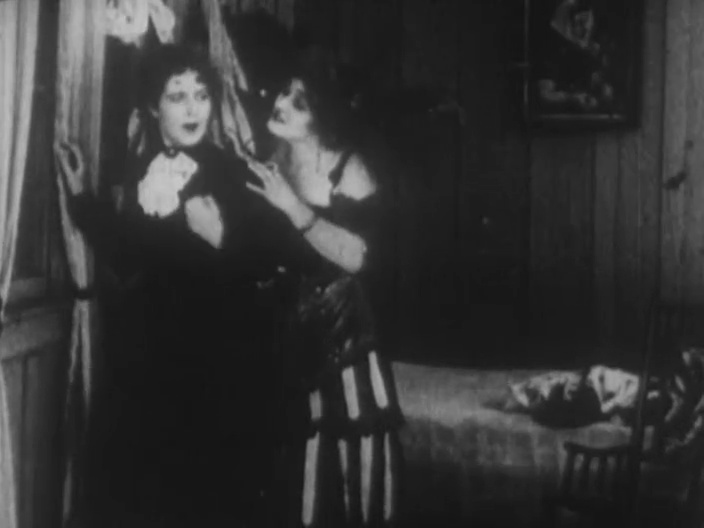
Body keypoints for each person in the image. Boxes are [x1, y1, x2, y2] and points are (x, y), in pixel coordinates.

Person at [55, 44, 284, 527]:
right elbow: (129, 254)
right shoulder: (144, 171)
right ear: (153, 107)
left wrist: (222, 238)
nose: (193, 108)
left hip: (216, 366)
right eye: (177, 96)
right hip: (151, 361)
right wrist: (81, 198)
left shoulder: (233, 172)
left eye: (201, 95)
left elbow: (269, 265)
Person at [245, 56, 405, 527]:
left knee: (340, 471)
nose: (281, 105)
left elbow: (357, 257)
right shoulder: (265, 157)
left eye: (300, 103)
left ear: (323, 117)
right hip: (281, 333)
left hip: (339, 341)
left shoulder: (348, 169)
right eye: (283, 93)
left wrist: (293, 207)